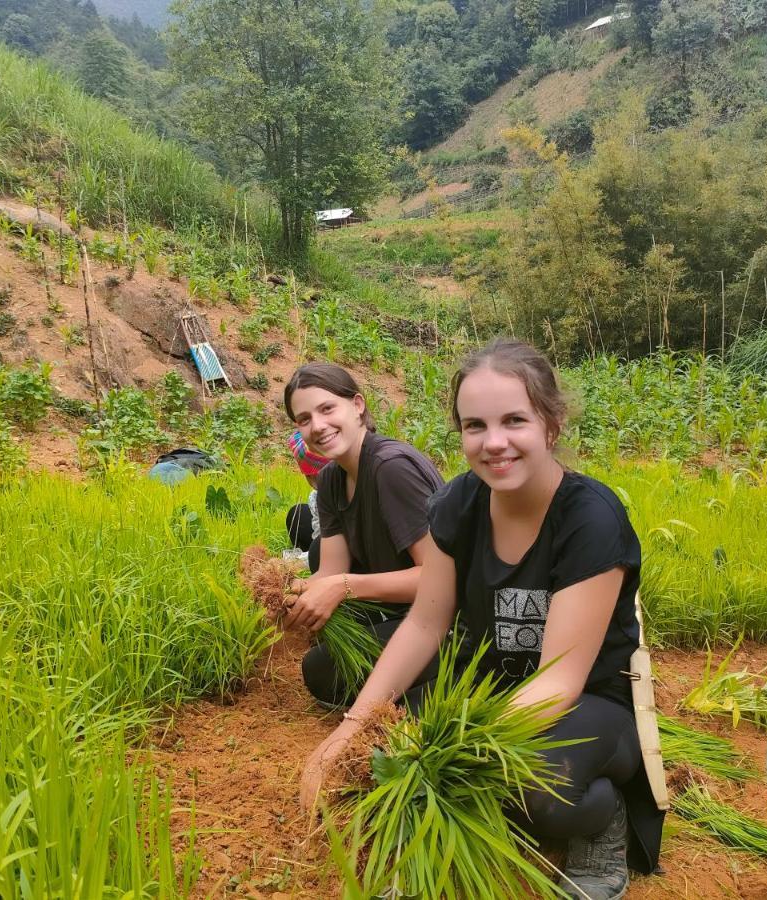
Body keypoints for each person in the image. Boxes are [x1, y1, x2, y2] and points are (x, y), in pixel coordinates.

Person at [300, 340, 663, 900]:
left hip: (584, 704)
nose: (494, 443)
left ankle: (604, 817)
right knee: (386, 756)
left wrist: (460, 747)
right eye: (475, 426)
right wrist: (354, 726)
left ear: (552, 422)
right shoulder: (458, 504)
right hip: (488, 687)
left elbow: (560, 680)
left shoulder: (591, 518)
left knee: (536, 793)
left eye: (514, 420)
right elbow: (425, 625)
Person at [282, 363, 445, 707]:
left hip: (446, 617)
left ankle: (445, 681)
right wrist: (289, 593)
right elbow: (329, 571)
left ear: (357, 405)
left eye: (327, 409)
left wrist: (342, 586)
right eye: (304, 419)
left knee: (322, 669)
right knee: (322, 615)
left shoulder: (391, 467)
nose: (318, 426)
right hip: (398, 606)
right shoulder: (330, 480)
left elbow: (440, 579)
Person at [284, 431, 331, 572]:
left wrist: (297, 563)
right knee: (297, 514)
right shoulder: (316, 497)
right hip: (327, 542)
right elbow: (319, 537)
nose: (314, 484)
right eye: (311, 479)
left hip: (348, 552)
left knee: (319, 553)